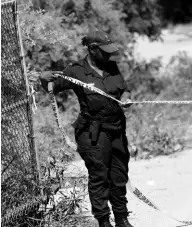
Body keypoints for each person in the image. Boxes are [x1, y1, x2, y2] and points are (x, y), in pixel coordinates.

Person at [39, 29, 134, 227]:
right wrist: (43, 77)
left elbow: (124, 89)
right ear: (92, 49)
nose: (108, 55)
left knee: (119, 175)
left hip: (116, 129)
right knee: (100, 175)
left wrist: (125, 99)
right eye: (104, 51)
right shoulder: (76, 71)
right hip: (92, 132)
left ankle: (122, 218)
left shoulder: (112, 67)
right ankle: (103, 221)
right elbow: (52, 87)